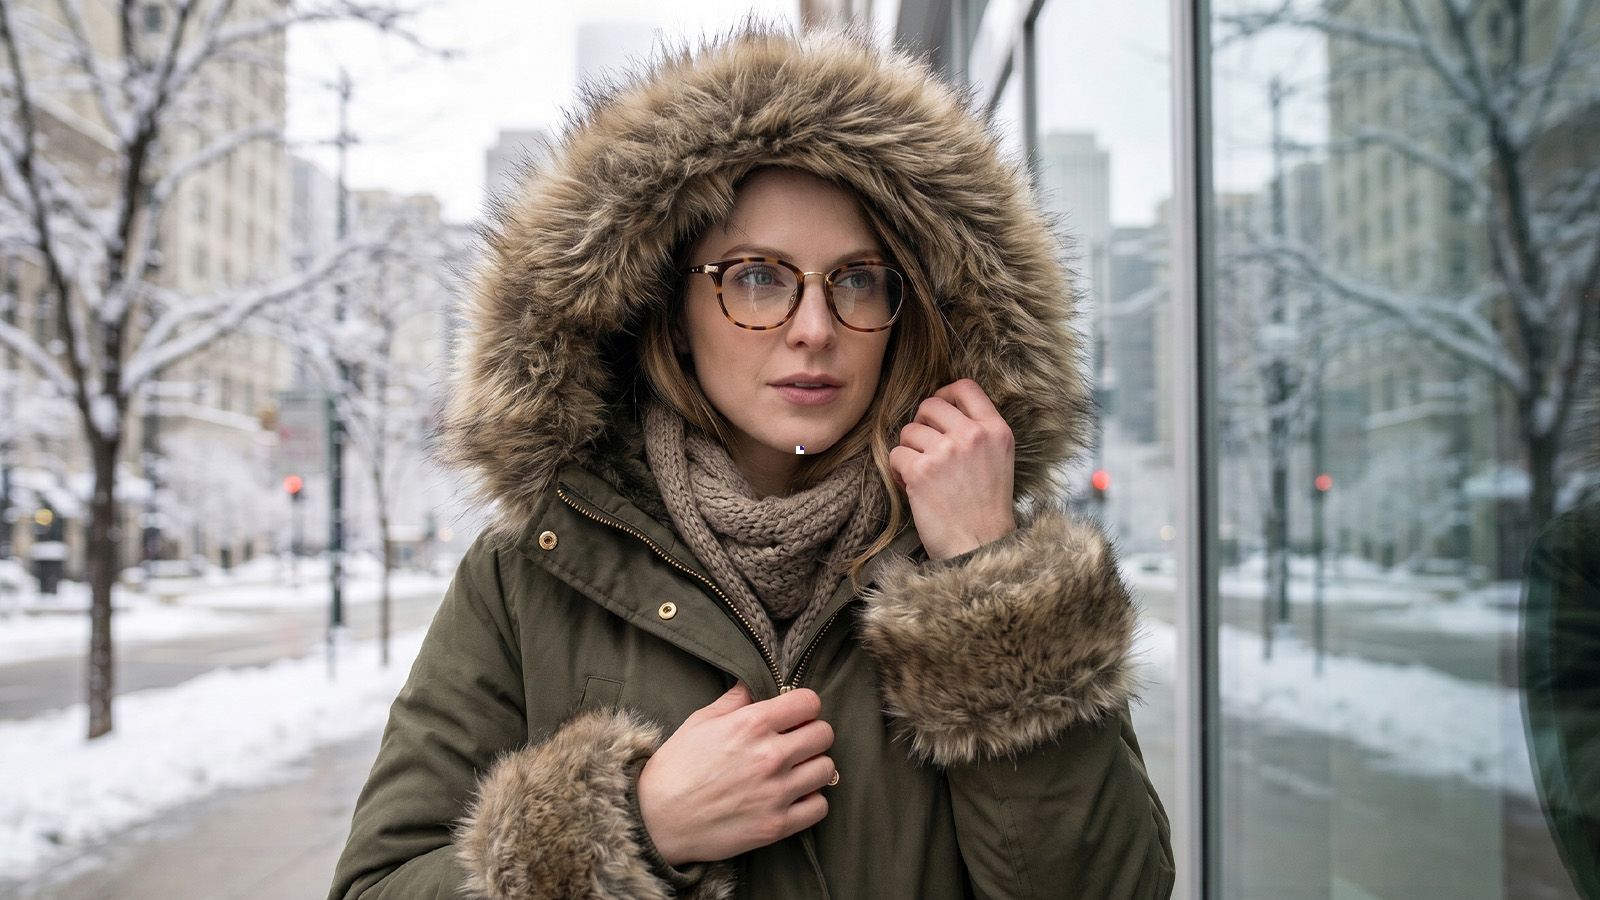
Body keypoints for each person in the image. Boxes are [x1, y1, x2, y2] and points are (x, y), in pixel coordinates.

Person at [329, 23, 1174, 900]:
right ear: (671, 309)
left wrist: (991, 587)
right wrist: (633, 830)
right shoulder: (532, 575)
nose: (814, 328)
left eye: (858, 280)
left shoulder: (982, 555)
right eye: (758, 277)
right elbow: (377, 886)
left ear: (908, 312)